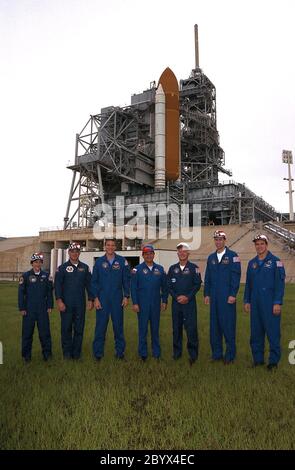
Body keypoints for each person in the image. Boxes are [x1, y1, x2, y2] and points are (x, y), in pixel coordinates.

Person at [244, 234, 286, 370]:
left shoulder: (276, 262)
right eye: (257, 244)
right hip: (255, 304)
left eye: (262, 243)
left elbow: (280, 284)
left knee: (273, 332)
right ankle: (258, 360)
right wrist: (247, 301)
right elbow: (248, 285)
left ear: (267, 245)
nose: (259, 246)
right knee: (256, 333)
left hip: (270, 303)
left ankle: (273, 362)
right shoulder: (252, 263)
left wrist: (277, 302)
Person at [204, 230, 241, 364]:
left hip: (227, 297)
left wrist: (233, 294)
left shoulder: (233, 256)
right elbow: (207, 277)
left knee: (228, 326)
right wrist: (206, 293)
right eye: (216, 239)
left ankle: (230, 356)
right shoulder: (211, 258)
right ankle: (217, 354)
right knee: (215, 327)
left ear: (225, 240)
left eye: (220, 239)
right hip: (214, 297)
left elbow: (236, 277)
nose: (218, 241)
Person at [91, 239, 130, 360]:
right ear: (104, 246)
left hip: (117, 298)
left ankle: (120, 353)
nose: (110, 247)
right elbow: (94, 282)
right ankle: (98, 353)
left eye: (113, 245)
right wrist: (95, 298)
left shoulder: (122, 261)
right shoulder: (99, 262)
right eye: (108, 245)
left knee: (118, 326)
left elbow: (126, 280)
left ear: (115, 247)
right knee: (100, 327)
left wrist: (126, 296)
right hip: (102, 298)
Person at [54, 243, 93, 360]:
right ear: (69, 253)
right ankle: (66, 353)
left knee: (79, 329)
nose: (74, 253)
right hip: (66, 304)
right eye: (72, 251)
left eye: (77, 251)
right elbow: (57, 286)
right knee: (66, 329)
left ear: (79, 252)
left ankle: (76, 354)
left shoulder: (85, 268)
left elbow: (89, 285)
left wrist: (90, 299)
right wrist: (59, 301)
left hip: (80, 304)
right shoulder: (62, 268)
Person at [131, 244, 168, 361]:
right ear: (143, 255)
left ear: (153, 254)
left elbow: (165, 287)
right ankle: (143, 354)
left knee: (155, 329)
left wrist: (164, 300)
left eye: (150, 253)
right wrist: (135, 303)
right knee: (143, 329)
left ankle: (156, 353)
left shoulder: (160, 269)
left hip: (155, 304)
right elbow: (133, 288)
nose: (148, 255)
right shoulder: (137, 270)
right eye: (146, 253)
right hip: (142, 305)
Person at [167, 243, 202, 365]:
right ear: (177, 253)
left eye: (184, 251)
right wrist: (177, 297)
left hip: (189, 304)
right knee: (176, 329)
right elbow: (169, 286)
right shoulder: (172, 269)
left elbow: (197, 284)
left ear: (188, 253)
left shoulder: (194, 268)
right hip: (176, 304)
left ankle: (193, 355)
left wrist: (187, 297)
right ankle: (177, 353)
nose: (182, 253)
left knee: (191, 329)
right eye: (180, 251)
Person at [18, 253, 53, 362]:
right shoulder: (25, 276)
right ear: (32, 263)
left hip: (42, 309)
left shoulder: (47, 276)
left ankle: (47, 355)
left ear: (41, 263)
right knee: (27, 333)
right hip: (29, 309)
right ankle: (26, 356)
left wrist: (49, 306)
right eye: (35, 262)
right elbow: (21, 293)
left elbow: (49, 292)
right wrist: (22, 308)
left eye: (39, 262)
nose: (37, 264)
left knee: (45, 333)